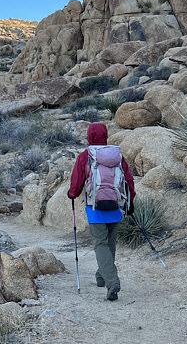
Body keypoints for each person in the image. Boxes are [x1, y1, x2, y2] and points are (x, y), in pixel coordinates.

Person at [67, 122, 135, 301]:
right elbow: (128, 180)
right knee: (110, 244)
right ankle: (101, 277)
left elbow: (77, 181)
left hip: (95, 207)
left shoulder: (86, 156)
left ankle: (112, 282)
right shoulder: (117, 156)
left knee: (100, 244)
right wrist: (131, 202)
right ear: (106, 135)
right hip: (116, 205)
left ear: (89, 136)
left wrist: (72, 193)